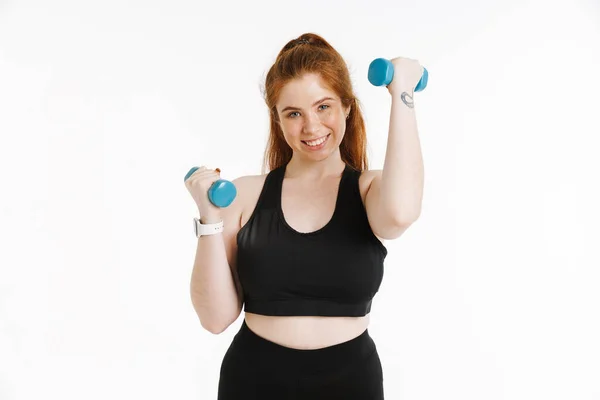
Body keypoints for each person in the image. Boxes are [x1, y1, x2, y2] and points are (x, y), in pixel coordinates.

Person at [185, 33, 425, 399]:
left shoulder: (370, 191)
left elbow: (402, 213)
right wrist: (207, 217)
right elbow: (215, 319)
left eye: (323, 107)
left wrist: (402, 93)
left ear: (347, 106)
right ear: (278, 120)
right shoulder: (244, 195)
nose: (311, 127)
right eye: (293, 113)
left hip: (350, 384)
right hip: (252, 382)